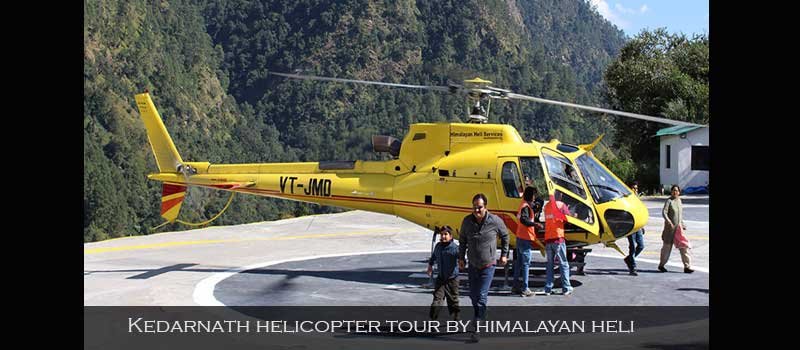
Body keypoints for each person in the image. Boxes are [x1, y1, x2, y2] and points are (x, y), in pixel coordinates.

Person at [458, 193, 509, 343]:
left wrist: (504, 255)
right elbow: (462, 240)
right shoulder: (467, 221)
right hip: (473, 264)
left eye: (479, 207)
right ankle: (481, 313)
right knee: (473, 296)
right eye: (474, 207)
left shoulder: (495, 221)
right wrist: (461, 258)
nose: (476, 210)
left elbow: (505, 236)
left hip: (488, 265)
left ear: (485, 207)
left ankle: (477, 327)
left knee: (481, 296)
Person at [512, 187, 542, 297]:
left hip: (520, 236)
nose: (535, 197)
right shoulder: (525, 207)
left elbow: (532, 208)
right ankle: (525, 288)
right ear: (530, 195)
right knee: (525, 264)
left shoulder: (523, 204)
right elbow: (524, 220)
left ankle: (515, 287)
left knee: (519, 263)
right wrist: (535, 224)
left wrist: (537, 204)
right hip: (525, 238)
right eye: (534, 195)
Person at [427, 226, 460, 321]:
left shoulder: (454, 248)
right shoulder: (438, 246)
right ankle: (433, 320)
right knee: (437, 300)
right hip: (441, 279)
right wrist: (430, 266)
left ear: (451, 236)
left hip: (452, 279)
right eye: (442, 234)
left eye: (446, 234)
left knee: (453, 300)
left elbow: (461, 259)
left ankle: (456, 317)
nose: (443, 236)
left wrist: (462, 263)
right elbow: (433, 257)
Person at [543, 192, 573, 296]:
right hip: (558, 238)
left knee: (550, 265)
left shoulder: (546, 206)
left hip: (548, 238)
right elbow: (568, 218)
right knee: (563, 264)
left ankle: (548, 288)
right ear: (559, 195)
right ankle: (566, 287)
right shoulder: (561, 205)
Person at [658, 185, 694, 273]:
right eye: (673, 190)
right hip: (669, 230)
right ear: (671, 192)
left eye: (677, 191)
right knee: (666, 248)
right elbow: (664, 212)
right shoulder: (669, 201)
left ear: (679, 192)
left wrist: (682, 224)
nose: (675, 192)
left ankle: (687, 267)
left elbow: (680, 216)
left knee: (684, 247)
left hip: (678, 229)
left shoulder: (679, 201)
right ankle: (661, 265)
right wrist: (668, 221)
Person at [624, 182, 645, 276]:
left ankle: (629, 259)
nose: (635, 190)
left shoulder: (638, 200)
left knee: (641, 246)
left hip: (638, 227)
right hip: (631, 227)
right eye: (633, 188)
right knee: (632, 246)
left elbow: (640, 214)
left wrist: (642, 226)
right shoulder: (626, 200)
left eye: (636, 188)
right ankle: (633, 267)